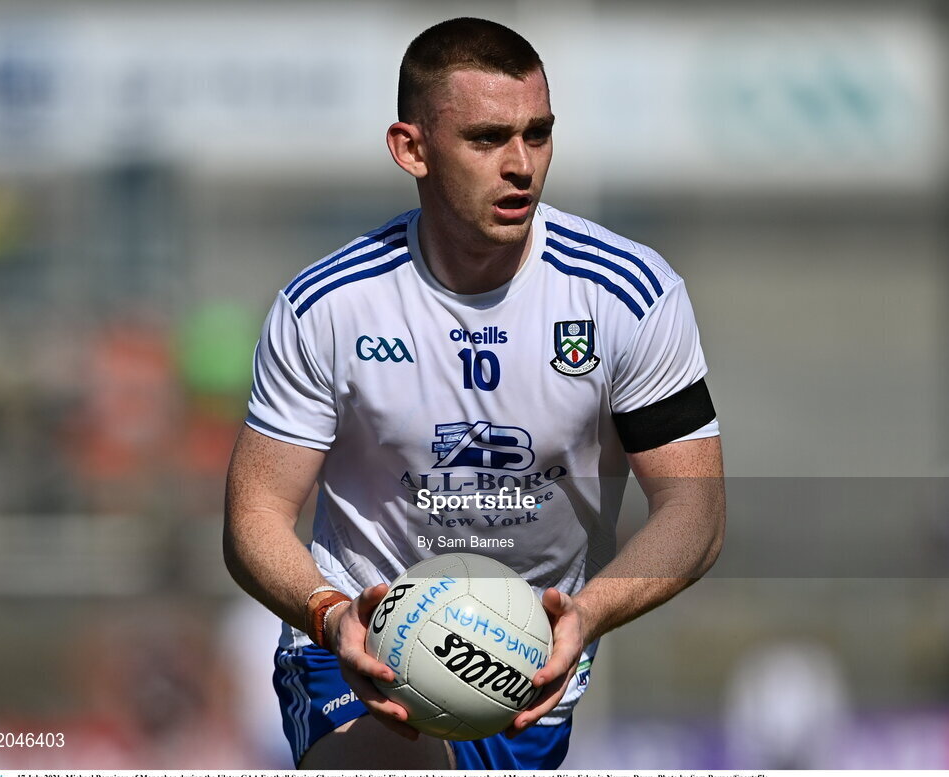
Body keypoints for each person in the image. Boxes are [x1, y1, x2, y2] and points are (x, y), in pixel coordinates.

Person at [224, 17, 725, 770]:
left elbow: (695, 510)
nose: (522, 164)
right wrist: (331, 617)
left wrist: (582, 616)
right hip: (354, 650)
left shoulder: (629, 295)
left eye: (538, 133)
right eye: (488, 138)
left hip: (525, 668)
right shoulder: (327, 306)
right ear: (411, 148)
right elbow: (254, 515)